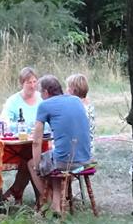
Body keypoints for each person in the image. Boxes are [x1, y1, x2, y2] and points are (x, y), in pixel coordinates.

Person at [28, 75, 92, 214]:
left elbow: (36, 141)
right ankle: (56, 207)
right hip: (86, 158)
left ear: (45, 92)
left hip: (65, 161)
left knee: (31, 163)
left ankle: (49, 200)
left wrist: (37, 166)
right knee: (55, 163)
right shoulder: (76, 100)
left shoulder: (44, 105)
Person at [66, 73, 95, 159]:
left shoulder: (75, 107)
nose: (66, 90)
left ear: (73, 91)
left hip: (77, 154)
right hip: (89, 150)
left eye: (68, 87)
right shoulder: (89, 105)